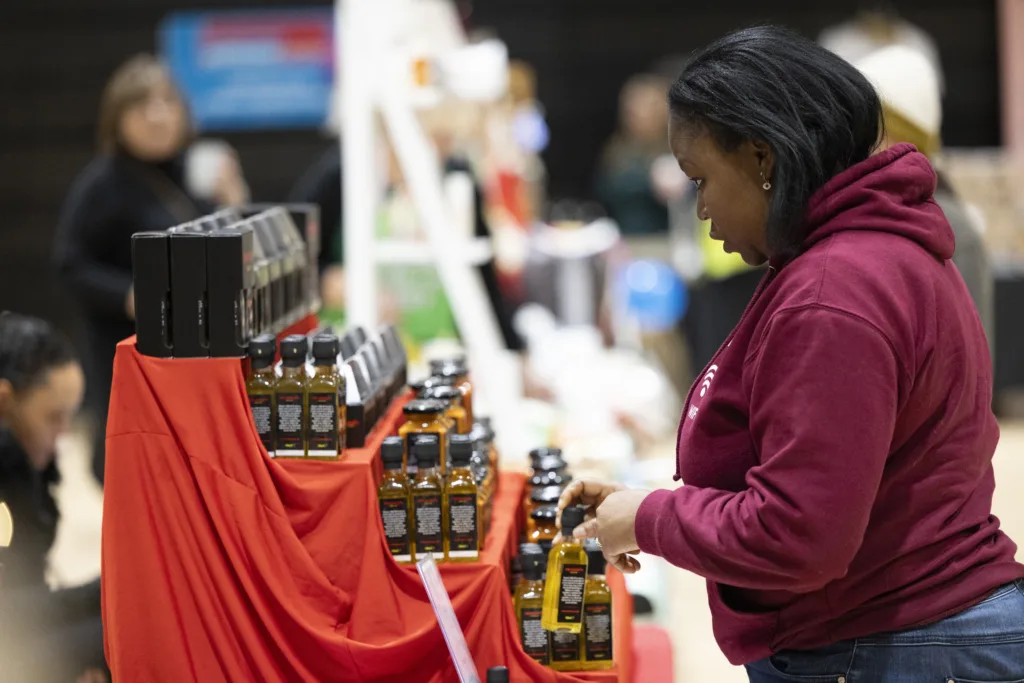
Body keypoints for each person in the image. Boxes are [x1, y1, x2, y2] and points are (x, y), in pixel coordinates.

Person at [558, 26, 1024, 682]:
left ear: (761, 158)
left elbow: (801, 532)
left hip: (886, 642)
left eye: (702, 180)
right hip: (906, 631)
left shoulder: (834, 291)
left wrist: (653, 516)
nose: (701, 209)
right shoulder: (875, 249)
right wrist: (651, 507)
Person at [53, 54, 242, 484]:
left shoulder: (190, 174)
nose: (158, 116)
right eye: (142, 106)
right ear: (118, 118)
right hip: (127, 350)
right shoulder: (102, 184)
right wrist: (130, 295)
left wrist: (232, 200)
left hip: (189, 355)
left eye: (167, 102)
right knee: (131, 466)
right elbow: (70, 264)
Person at [855, 44, 994, 349]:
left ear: (902, 133)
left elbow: (973, 360)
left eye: (869, 126)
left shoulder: (953, 226)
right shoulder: (863, 208)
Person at [0, 312, 107, 683]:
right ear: (4, 399)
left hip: (21, 618)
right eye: (53, 418)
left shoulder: (26, 460)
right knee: (114, 635)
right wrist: (98, 592)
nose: (63, 435)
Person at [594, 73, 673, 236]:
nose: (635, 115)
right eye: (631, 108)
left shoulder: (675, 149)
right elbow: (603, 191)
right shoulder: (616, 149)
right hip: (625, 239)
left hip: (662, 239)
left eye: (644, 107)